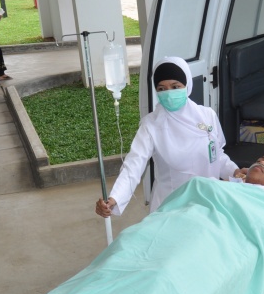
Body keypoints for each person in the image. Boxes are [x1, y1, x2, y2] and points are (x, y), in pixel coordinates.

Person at [96, 57, 242, 217]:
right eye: (161, 88)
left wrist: (234, 171)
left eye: (175, 86)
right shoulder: (151, 125)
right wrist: (114, 198)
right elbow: (133, 166)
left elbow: (217, 155)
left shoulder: (207, 116)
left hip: (208, 202)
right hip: (171, 207)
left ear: (187, 85)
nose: (169, 93)